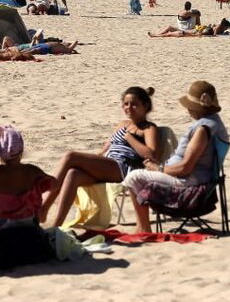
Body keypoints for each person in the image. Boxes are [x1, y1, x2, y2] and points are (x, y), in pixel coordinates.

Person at [40, 86, 159, 228]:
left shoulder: (148, 128)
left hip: (123, 167)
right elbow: (106, 149)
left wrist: (129, 137)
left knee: (70, 156)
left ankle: (43, 208)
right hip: (107, 164)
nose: (129, 108)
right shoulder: (122, 124)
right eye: (126, 104)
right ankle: (56, 226)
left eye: (134, 104)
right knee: (73, 174)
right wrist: (95, 157)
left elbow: (151, 154)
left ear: (145, 106)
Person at [122, 80, 229, 233]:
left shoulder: (203, 129)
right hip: (200, 176)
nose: (187, 109)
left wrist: (157, 168)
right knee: (140, 174)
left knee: (133, 177)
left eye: (189, 106)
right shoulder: (214, 122)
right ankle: (143, 226)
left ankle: (143, 228)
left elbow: (185, 168)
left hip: (189, 181)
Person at [0, 35, 78, 55]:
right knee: (32, 49)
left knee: (33, 50)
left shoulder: (66, 49)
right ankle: (2, 51)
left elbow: (75, 42)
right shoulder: (62, 46)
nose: (65, 43)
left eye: (66, 43)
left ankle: (18, 53)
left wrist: (71, 44)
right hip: (43, 45)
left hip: (46, 48)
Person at [148, 19, 229, 37]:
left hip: (190, 31)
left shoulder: (217, 27)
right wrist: (224, 33)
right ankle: (156, 35)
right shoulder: (218, 28)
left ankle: (155, 35)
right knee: (169, 32)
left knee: (169, 30)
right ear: (224, 26)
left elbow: (215, 31)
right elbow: (215, 34)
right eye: (226, 28)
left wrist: (223, 32)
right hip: (190, 33)